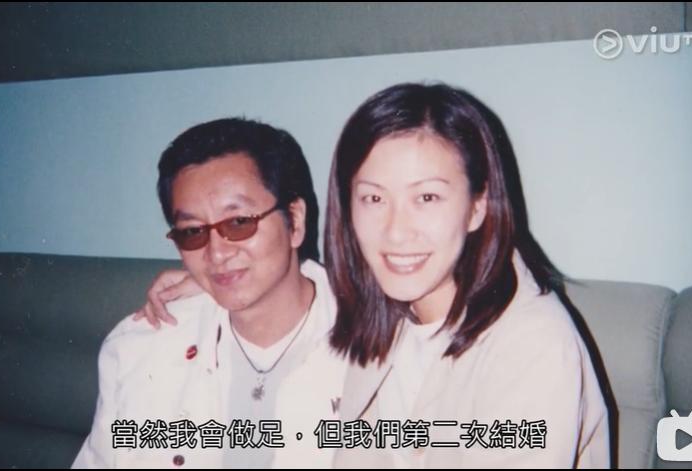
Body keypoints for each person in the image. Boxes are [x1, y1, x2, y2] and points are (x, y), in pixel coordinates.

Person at [138, 83, 612, 468]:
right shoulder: (388, 315)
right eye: (374, 198)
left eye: (427, 197)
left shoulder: (531, 345)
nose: (396, 231)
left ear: (477, 206)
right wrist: (215, 273)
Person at [73, 118, 346, 468]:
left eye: (239, 223)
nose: (216, 254)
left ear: (294, 221)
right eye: (193, 232)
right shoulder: (138, 350)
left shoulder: (380, 349)